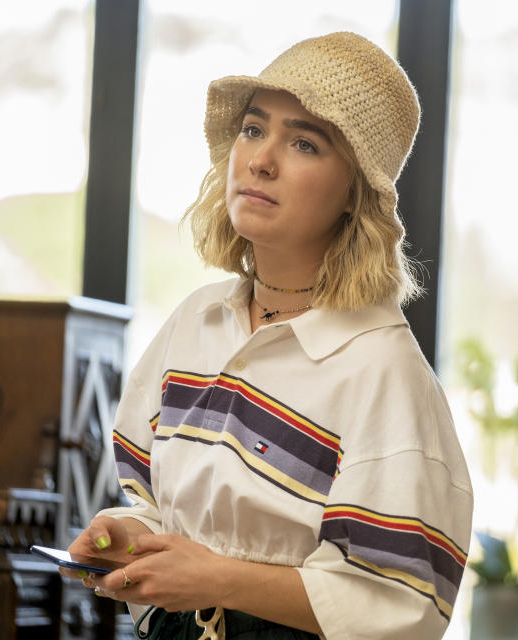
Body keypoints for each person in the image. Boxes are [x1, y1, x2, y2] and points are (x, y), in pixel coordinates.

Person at [62, 31, 473, 640]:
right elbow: (156, 500)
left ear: (354, 195)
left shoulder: (381, 369)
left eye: (305, 142)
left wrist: (217, 579)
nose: (260, 159)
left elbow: (399, 605)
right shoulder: (196, 322)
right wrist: (135, 536)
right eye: (254, 130)